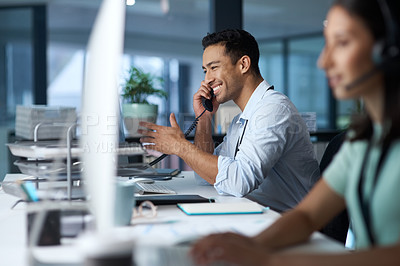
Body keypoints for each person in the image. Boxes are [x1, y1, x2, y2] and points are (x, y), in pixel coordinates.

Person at [191, 0, 400, 265]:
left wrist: (269, 260)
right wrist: (249, 245)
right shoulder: (363, 141)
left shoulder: (274, 109)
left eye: (343, 43)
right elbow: (307, 215)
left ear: (388, 51)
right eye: (326, 44)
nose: (323, 61)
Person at [139, 29, 320, 212]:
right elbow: (206, 176)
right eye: (205, 70)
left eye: (214, 67)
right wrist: (204, 118)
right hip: (261, 215)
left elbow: (239, 181)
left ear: (243, 64)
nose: (207, 79)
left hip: (290, 225)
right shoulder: (241, 120)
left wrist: (181, 147)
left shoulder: (273, 110)